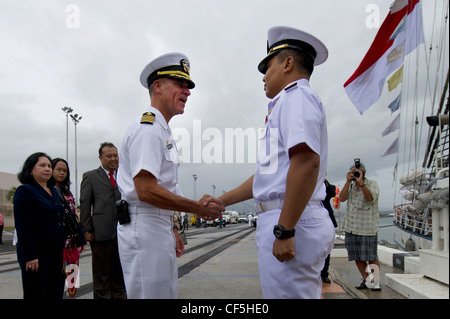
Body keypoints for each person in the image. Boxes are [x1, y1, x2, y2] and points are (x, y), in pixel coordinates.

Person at [204, 26, 335, 299]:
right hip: (287, 217)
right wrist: (223, 201)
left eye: (268, 66)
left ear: (288, 63)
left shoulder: (296, 98)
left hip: (290, 219)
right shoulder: (287, 103)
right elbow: (268, 177)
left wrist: (285, 229)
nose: (264, 76)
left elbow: (306, 163)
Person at [116, 52, 223, 299]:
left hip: (158, 224)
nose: (187, 92)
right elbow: (146, 190)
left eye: (188, 86)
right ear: (157, 86)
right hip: (145, 225)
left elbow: (168, 185)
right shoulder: (148, 128)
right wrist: (197, 208)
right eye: (179, 84)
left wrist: (175, 227)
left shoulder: (162, 130)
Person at [13, 152, 66, 299]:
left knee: (55, 291)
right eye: (42, 165)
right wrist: (30, 255)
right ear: (30, 169)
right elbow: (23, 226)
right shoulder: (25, 191)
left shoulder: (53, 191)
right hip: (36, 254)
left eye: (49, 165)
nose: (47, 169)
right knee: (37, 293)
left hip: (55, 251)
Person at [80, 142, 126, 299]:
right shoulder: (90, 176)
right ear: (100, 158)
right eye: (109, 156)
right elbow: (85, 204)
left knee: (120, 274)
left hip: (123, 233)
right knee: (102, 276)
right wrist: (86, 230)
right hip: (100, 234)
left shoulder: (126, 174)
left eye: (115, 155)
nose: (113, 159)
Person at [339, 159, 381, 291]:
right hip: (352, 227)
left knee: (371, 257)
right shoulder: (350, 185)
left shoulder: (372, 184)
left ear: (364, 172)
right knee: (357, 256)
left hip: (367, 227)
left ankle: (376, 281)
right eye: (352, 172)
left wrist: (361, 183)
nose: (355, 174)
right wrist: (347, 181)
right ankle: (368, 281)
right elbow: (341, 198)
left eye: (357, 172)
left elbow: (370, 198)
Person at [50, 158, 86, 296]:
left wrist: (81, 239)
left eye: (65, 170)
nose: (62, 173)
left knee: (72, 282)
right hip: (58, 244)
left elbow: (74, 219)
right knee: (57, 281)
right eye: (58, 169)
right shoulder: (48, 191)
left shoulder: (68, 192)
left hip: (71, 243)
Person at [320, 179, 338, 283]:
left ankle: (324, 274)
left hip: (326, 218)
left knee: (326, 249)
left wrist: (324, 180)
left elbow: (332, 192)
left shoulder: (324, 183)